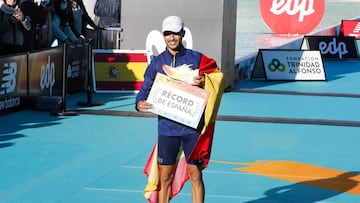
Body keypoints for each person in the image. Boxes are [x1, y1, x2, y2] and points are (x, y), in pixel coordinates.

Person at [136, 16, 224, 203]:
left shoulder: (198, 58)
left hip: (193, 130)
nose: (172, 37)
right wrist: (139, 104)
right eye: (168, 34)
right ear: (163, 36)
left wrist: (205, 81)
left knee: (196, 175)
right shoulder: (156, 63)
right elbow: (143, 91)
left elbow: (217, 77)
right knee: (165, 178)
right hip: (168, 130)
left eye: (175, 33)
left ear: (182, 34)